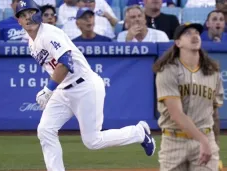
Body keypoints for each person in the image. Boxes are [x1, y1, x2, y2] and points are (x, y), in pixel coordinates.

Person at [15, 0, 156, 171]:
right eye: (23, 15)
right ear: (18, 21)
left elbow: (66, 62)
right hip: (64, 90)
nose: (28, 17)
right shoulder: (31, 43)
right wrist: (53, 89)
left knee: (92, 141)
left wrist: (48, 89)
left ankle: (138, 133)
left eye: (31, 12)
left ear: (38, 14)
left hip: (84, 86)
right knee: (45, 130)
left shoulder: (49, 34)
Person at [153, 23, 223, 171]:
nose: (194, 35)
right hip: (174, 141)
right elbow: (176, 114)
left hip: (205, 137)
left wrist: (213, 145)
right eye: (188, 33)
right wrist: (203, 140)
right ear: (178, 43)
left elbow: (214, 114)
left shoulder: (213, 72)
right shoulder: (167, 71)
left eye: (196, 32)